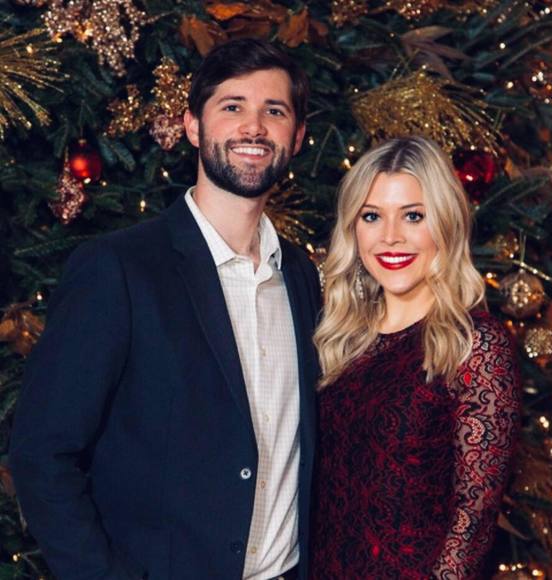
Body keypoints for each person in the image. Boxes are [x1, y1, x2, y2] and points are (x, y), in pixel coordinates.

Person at [10, 39, 320, 580]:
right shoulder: (117, 269)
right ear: (193, 126)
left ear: (296, 137)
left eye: (274, 111)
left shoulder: (301, 277)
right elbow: (41, 455)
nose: (253, 127)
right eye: (232, 106)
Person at [309, 136, 520, 579]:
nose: (391, 237)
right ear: (353, 229)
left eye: (413, 216)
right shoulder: (341, 340)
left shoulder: (474, 345)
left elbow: (473, 522)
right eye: (372, 216)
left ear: (445, 222)